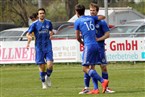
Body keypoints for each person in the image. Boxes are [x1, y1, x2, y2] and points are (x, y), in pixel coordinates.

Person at [79, 3, 115, 94]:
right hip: (91, 47)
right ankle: (94, 88)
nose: (92, 12)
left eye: (94, 10)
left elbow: (107, 34)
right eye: (90, 10)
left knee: (103, 67)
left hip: (100, 47)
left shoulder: (101, 22)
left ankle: (106, 88)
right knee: (91, 67)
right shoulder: (87, 21)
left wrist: (99, 39)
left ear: (97, 11)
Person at [26, 8, 54, 89]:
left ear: (44, 14)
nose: (42, 14)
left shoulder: (48, 22)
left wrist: (51, 34)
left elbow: (51, 30)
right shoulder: (34, 24)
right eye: (40, 13)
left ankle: (47, 77)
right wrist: (29, 38)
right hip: (39, 47)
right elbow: (28, 34)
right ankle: (43, 83)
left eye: (43, 13)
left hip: (48, 46)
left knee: (50, 65)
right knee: (42, 66)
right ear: (38, 15)